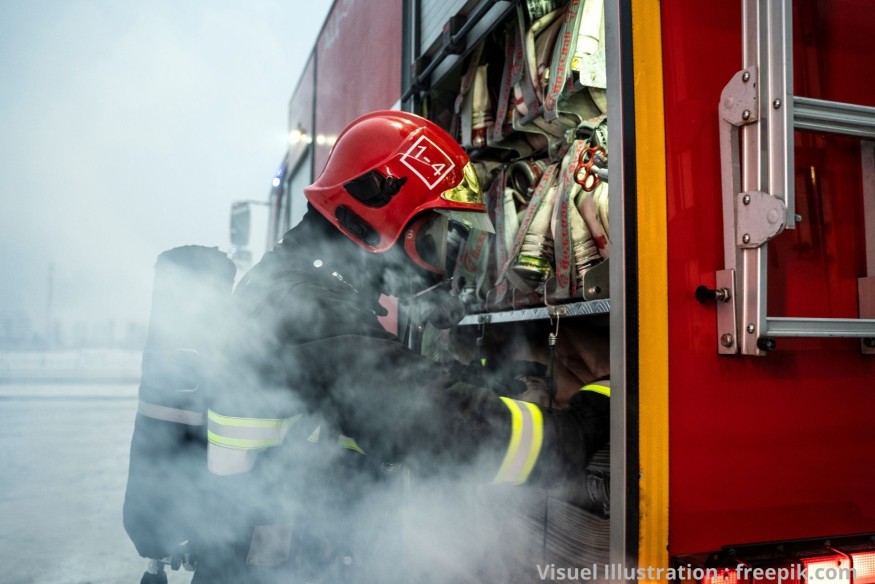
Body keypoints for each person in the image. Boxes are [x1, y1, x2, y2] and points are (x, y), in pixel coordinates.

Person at [194, 110, 609, 583]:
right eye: (433, 237)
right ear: (379, 213)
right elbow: (443, 430)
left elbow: (367, 394)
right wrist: (582, 424)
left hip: (282, 553)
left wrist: (483, 381)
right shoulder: (311, 307)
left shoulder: (296, 283)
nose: (440, 264)